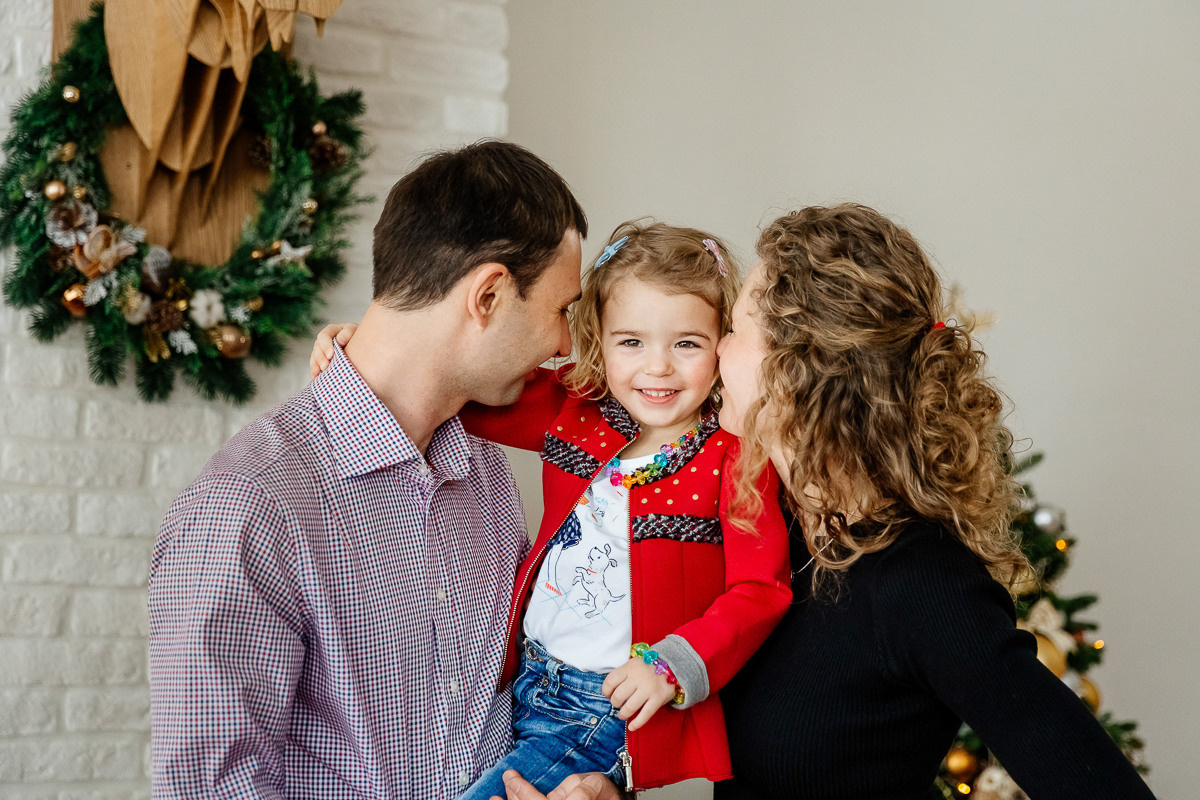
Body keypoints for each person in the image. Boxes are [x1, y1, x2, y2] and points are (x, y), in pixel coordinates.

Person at [493, 203, 1157, 800]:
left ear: (796, 368)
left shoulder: (924, 584)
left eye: (738, 328)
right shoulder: (758, 523)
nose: (716, 344)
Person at [148, 140, 590, 799]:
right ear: (489, 294)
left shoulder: (488, 474)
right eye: (561, 310)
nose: (565, 344)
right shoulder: (249, 505)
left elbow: (509, 713)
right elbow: (211, 789)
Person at [311, 221, 792, 797]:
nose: (658, 367)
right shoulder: (577, 412)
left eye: (686, 343)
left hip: (603, 707)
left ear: (721, 342)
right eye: (631, 342)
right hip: (520, 674)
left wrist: (673, 665)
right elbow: (456, 385)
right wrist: (365, 351)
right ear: (598, 336)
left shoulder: (735, 459)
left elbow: (761, 591)